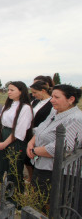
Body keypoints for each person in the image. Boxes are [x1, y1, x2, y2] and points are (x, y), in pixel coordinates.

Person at [27, 84, 82, 214]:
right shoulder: (55, 111)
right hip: (41, 164)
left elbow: (60, 148)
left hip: (55, 171)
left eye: (56, 97)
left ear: (71, 99)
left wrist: (34, 151)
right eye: (52, 96)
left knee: (49, 206)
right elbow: (41, 128)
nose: (52, 100)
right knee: (37, 202)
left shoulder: (76, 119)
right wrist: (31, 142)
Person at [0, 81, 33, 203]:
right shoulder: (8, 105)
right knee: (3, 169)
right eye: (8, 89)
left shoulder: (25, 108)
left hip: (14, 141)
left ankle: (14, 200)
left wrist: (4, 143)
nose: (9, 92)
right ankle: (5, 197)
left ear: (21, 91)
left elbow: (19, 131)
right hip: (3, 136)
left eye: (12, 90)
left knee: (13, 170)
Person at [24, 80, 53, 182]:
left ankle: (36, 180)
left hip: (40, 134)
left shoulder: (51, 104)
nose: (33, 94)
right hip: (30, 132)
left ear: (43, 91)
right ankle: (31, 177)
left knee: (36, 158)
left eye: (35, 92)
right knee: (27, 158)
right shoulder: (35, 101)